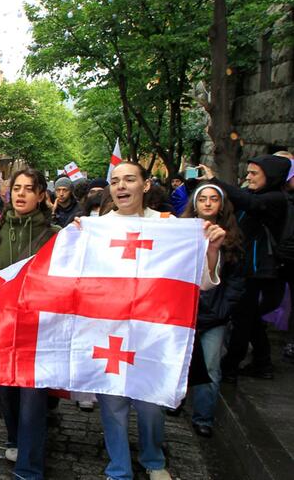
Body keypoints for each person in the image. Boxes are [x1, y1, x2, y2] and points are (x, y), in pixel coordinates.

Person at [92, 161, 223, 480]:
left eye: (129, 179)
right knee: (112, 405)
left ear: (145, 185)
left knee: (150, 402)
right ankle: (119, 468)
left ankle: (153, 459)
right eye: (115, 181)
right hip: (109, 331)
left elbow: (200, 283)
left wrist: (212, 251)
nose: (121, 186)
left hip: (152, 332)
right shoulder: (95, 228)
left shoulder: (169, 226)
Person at [0, 169, 60, 480]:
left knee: (33, 395)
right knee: (7, 392)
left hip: (39, 330)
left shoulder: (55, 236)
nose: (20, 194)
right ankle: (14, 438)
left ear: (41, 195)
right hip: (2, 326)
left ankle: (30, 467)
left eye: (29, 189)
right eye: (16, 188)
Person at [198, 155, 289, 381]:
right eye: (247, 172)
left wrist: (216, 181)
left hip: (256, 271)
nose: (248, 177)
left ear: (271, 176)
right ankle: (262, 362)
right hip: (241, 266)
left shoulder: (276, 199)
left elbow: (249, 204)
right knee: (251, 321)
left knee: (242, 320)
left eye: (254, 173)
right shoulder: (253, 194)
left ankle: (229, 368)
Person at [181, 183, 245, 438]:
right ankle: (175, 402)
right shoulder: (181, 234)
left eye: (213, 199)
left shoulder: (232, 238)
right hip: (184, 312)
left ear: (221, 205)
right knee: (180, 362)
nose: (207, 203)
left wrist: (224, 309)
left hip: (215, 316)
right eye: (202, 199)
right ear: (194, 204)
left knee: (210, 367)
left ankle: (203, 417)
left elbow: (237, 281)